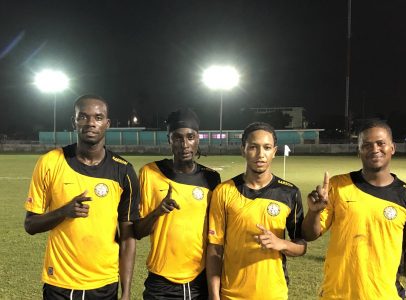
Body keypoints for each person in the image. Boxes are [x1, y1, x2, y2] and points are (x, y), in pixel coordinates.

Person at [24, 95, 140, 300]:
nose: (91, 123)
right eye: (83, 117)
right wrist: (63, 212)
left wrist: (127, 292)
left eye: (98, 117)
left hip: (104, 284)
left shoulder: (123, 171)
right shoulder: (50, 162)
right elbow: (30, 225)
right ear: (74, 121)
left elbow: (128, 238)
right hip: (59, 283)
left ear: (107, 123)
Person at [302, 120, 406, 300]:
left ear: (392, 147)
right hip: (336, 295)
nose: (374, 149)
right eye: (366, 145)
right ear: (359, 150)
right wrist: (313, 212)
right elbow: (309, 234)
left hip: (385, 296)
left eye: (381, 143)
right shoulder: (337, 186)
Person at [207, 122, 307, 300]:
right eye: (253, 147)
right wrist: (214, 296)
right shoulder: (223, 191)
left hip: (273, 294)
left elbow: (301, 246)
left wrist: (281, 243)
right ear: (243, 150)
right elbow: (215, 249)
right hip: (231, 295)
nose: (260, 154)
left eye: (267, 147)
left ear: (274, 151)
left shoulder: (290, 193)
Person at [134, 108, 221, 300]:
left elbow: (216, 234)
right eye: (177, 138)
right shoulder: (150, 173)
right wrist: (157, 212)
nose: (184, 144)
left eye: (190, 137)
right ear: (169, 139)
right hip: (161, 282)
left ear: (198, 139)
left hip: (200, 279)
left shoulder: (211, 178)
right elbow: (137, 231)